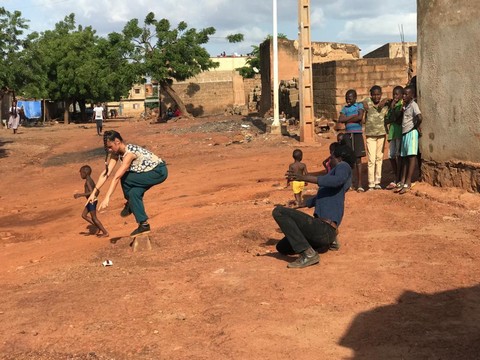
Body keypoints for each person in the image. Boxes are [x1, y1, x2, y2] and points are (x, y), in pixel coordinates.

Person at [272, 142, 355, 269]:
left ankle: (309, 254)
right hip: (322, 232)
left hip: (324, 229)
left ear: (340, 159)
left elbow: (336, 180)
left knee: (278, 211)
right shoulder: (332, 178)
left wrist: (304, 178)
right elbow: (320, 197)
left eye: (331, 157)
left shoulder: (343, 166)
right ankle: (328, 243)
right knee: (282, 247)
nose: (329, 160)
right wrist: (301, 204)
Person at [87, 130, 168, 237]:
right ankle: (143, 225)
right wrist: (94, 193)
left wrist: (107, 197)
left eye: (110, 147)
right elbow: (106, 174)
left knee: (125, 177)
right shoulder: (116, 153)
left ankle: (130, 203)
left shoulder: (129, 154)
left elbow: (116, 177)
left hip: (158, 172)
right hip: (145, 173)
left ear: (117, 142)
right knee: (134, 193)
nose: (110, 150)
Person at [396, 86, 422, 194]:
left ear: (412, 96)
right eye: (403, 94)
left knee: (411, 157)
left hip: (411, 133)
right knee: (405, 157)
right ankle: (402, 180)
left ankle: (408, 181)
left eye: (406, 94)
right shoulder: (405, 106)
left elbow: (420, 117)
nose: (404, 96)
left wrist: (415, 127)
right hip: (405, 133)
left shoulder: (413, 105)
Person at [338, 89, 366, 192]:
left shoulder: (359, 106)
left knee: (358, 160)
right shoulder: (344, 108)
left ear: (355, 98)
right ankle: (349, 183)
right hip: (348, 135)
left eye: (350, 98)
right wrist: (354, 117)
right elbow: (341, 119)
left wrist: (348, 119)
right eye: (346, 99)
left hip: (357, 134)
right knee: (349, 160)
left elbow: (360, 117)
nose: (348, 101)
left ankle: (359, 184)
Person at [363, 85, 389, 191]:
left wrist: (386, 100)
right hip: (370, 135)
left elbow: (392, 101)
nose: (376, 97)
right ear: (371, 95)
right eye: (374, 94)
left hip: (381, 135)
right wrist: (364, 104)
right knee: (371, 159)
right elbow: (362, 103)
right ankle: (371, 183)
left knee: (379, 158)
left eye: (378, 94)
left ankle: (378, 181)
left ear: (381, 95)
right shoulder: (367, 102)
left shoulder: (385, 104)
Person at [74, 165, 109, 237]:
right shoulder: (90, 180)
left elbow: (91, 192)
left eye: (81, 173)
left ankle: (105, 232)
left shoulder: (88, 181)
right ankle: (97, 227)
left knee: (94, 217)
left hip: (92, 201)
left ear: (85, 173)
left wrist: (80, 195)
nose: (80, 175)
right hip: (90, 201)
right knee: (84, 215)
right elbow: (97, 190)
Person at [384, 86, 404, 190]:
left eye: (397, 94)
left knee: (398, 155)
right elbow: (388, 118)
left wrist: (392, 108)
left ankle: (399, 177)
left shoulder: (401, 104)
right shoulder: (392, 105)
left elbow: (396, 118)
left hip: (399, 132)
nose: (395, 96)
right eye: (394, 94)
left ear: (401, 95)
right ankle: (396, 175)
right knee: (391, 155)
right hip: (392, 133)